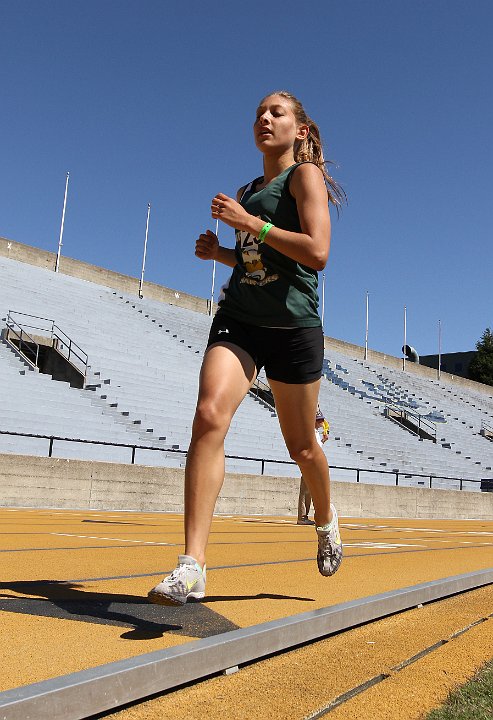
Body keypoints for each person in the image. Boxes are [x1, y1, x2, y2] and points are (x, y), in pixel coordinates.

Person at [148, 90, 345, 606]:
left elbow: (317, 253)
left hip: (293, 328)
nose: (264, 117)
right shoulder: (249, 189)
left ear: (300, 129)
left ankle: (326, 519)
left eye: (276, 112)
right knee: (209, 414)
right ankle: (192, 565)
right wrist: (222, 254)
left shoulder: (305, 178)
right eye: (259, 112)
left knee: (302, 447)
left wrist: (249, 223)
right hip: (240, 319)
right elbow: (260, 263)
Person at [298, 407, 330, 525]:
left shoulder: (315, 432)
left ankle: (304, 516)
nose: (321, 423)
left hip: (313, 464)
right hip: (309, 464)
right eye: (319, 420)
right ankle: (302, 517)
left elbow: (317, 448)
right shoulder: (311, 432)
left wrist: (323, 440)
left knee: (309, 492)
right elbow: (313, 449)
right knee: (305, 491)